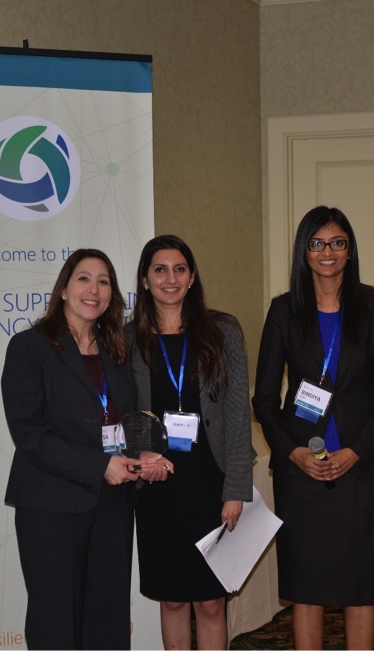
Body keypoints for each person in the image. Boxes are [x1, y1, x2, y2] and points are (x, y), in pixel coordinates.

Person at [253, 206, 374, 651]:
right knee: (308, 588)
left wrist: (356, 451)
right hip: (301, 471)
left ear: (349, 250)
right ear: (304, 251)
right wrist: (294, 453)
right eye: (318, 243)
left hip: (362, 469)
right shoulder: (284, 311)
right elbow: (264, 399)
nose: (328, 252)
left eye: (338, 243)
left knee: (361, 587)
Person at [2, 249, 141, 651]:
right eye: (84, 278)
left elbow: (125, 418)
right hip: (52, 506)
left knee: (109, 617)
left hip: (113, 505)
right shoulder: (30, 347)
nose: (93, 289)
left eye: (103, 281)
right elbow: (29, 433)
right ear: (64, 288)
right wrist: (99, 466)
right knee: (56, 620)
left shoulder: (117, 349)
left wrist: (141, 454)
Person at [126, 234, 255, 651]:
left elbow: (238, 414)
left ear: (192, 276)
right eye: (159, 270)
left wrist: (236, 489)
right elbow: (121, 413)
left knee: (212, 602)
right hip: (158, 485)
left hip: (209, 481)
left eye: (180, 269)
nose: (170, 278)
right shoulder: (128, 339)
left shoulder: (223, 330)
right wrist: (138, 456)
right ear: (145, 280)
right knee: (173, 599)